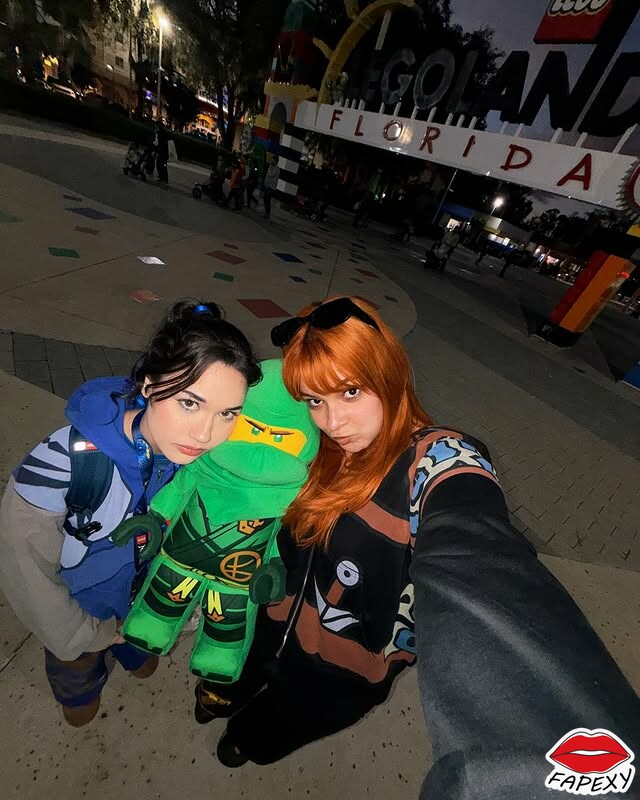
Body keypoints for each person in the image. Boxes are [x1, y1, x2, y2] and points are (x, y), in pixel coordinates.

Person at [0, 300, 261, 727]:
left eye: (227, 413)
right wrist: (86, 636)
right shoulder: (65, 462)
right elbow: (26, 573)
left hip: (148, 609)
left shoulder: (202, 466)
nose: (205, 434)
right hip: (82, 617)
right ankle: (83, 686)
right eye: (189, 403)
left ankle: (131, 653)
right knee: (80, 707)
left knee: (143, 663)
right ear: (149, 384)